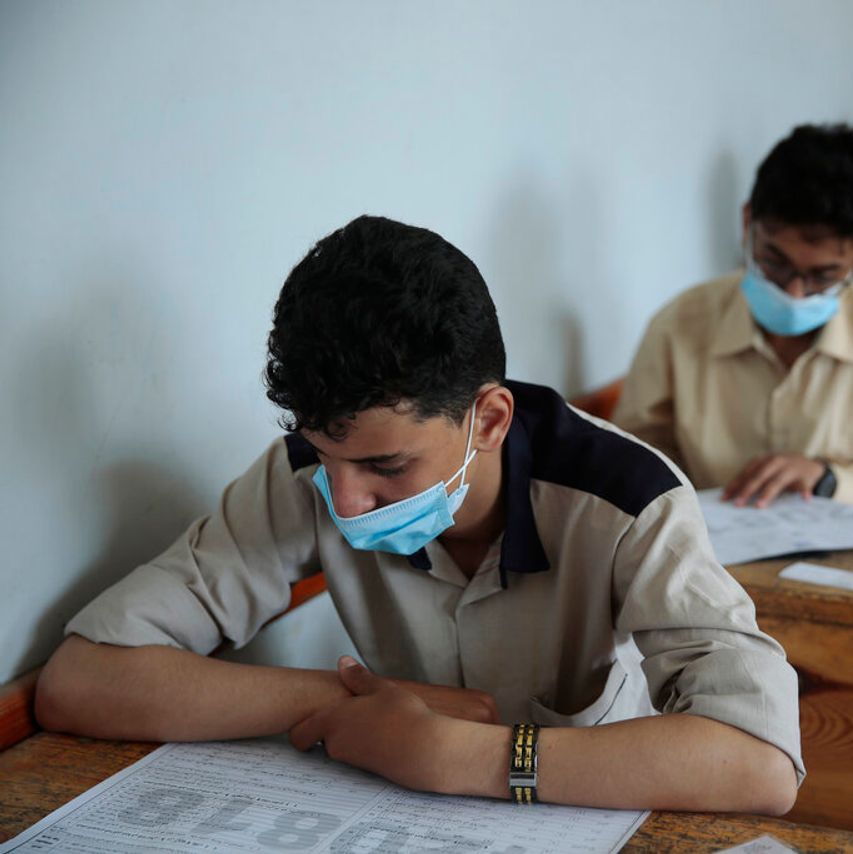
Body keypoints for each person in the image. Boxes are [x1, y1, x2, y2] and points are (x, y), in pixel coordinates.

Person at [35, 216, 802, 814]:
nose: (344, 500)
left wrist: (457, 756)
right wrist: (335, 698)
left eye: (386, 467)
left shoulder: (627, 497)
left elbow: (760, 760)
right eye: (325, 456)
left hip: (580, 815)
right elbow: (79, 680)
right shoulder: (306, 474)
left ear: (489, 420)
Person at [613, 125, 853, 518]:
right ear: (747, 223)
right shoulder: (680, 325)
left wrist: (829, 481)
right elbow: (631, 467)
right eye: (774, 263)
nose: (794, 292)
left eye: (823, 276)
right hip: (708, 550)